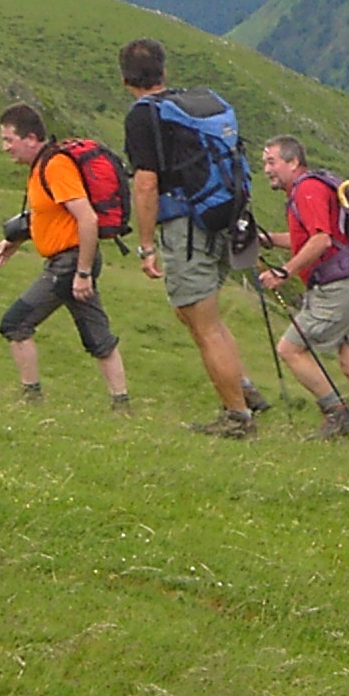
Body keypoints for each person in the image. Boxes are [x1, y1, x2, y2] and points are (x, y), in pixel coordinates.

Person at [119, 37, 268, 438]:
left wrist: (146, 245)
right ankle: (245, 388)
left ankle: (238, 418)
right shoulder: (198, 103)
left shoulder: (143, 116)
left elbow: (146, 184)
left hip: (186, 228)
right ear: (163, 71)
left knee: (205, 326)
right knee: (196, 314)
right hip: (224, 217)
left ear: (125, 79)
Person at [0, 103, 129, 409]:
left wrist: (82, 273)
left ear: (30, 138)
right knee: (99, 338)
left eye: (9, 139)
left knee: (15, 324)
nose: (5, 147)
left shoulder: (55, 166)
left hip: (69, 263)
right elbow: (49, 216)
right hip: (72, 262)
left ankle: (31, 398)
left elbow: (87, 219)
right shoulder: (40, 167)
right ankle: (122, 406)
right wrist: (13, 242)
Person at [255, 136, 349, 447]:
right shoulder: (313, 187)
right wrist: (267, 239)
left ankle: (336, 412)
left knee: (290, 349)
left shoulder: (307, 190)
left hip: (335, 287)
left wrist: (284, 272)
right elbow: (309, 238)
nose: (267, 170)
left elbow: (321, 240)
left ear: (293, 162)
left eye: (272, 162)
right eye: (264, 163)